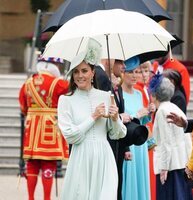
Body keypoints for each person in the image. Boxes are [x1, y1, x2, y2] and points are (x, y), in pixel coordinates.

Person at [57, 38, 127, 200]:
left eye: (84, 71)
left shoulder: (105, 96)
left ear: (93, 72)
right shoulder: (66, 100)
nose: (80, 75)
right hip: (81, 158)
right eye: (76, 71)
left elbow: (118, 134)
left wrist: (116, 118)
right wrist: (93, 117)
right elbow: (71, 135)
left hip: (104, 157)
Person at [18, 57, 69, 200]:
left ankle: (31, 197)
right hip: (49, 127)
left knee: (32, 163)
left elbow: (23, 107)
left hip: (32, 128)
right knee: (48, 162)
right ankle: (47, 198)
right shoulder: (59, 83)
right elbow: (67, 101)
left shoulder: (27, 83)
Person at [148, 74, 193, 200]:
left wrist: (164, 168)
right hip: (181, 163)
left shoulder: (161, 111)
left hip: (170, 167)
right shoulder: (175, 107)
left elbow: (165, 142)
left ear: (154, 95)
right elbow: (186, 137)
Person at [121, 56, 151, 200]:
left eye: (137, 72)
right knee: (130, 178)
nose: (134, 76)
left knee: (141, 177)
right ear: (123, 73)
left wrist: (148, 112)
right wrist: (136, 114)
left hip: (141, 143)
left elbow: (141, 121)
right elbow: (122, 120)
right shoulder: (118, 94)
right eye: (131, 72)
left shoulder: (139, 94)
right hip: (129, 143)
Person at [133, 61, 156, 200]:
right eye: (142, 71)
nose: (145, 74)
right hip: (144, 132)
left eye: (148, 71)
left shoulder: (145, 89)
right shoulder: (138, 90)